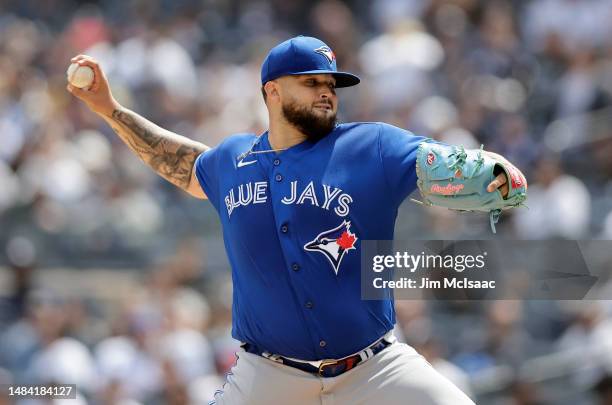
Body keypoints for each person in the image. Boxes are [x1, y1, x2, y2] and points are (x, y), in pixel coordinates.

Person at [68, 35, 521, 404]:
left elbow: (439, 164)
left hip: (373, 369)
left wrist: (490, 174)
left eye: (331, 83)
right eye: (311, 81)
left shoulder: (371, 146)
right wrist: (111, 110)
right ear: (273, 90)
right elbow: (180, 161)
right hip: (266, 376)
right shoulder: (233, 159)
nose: (327, 91)